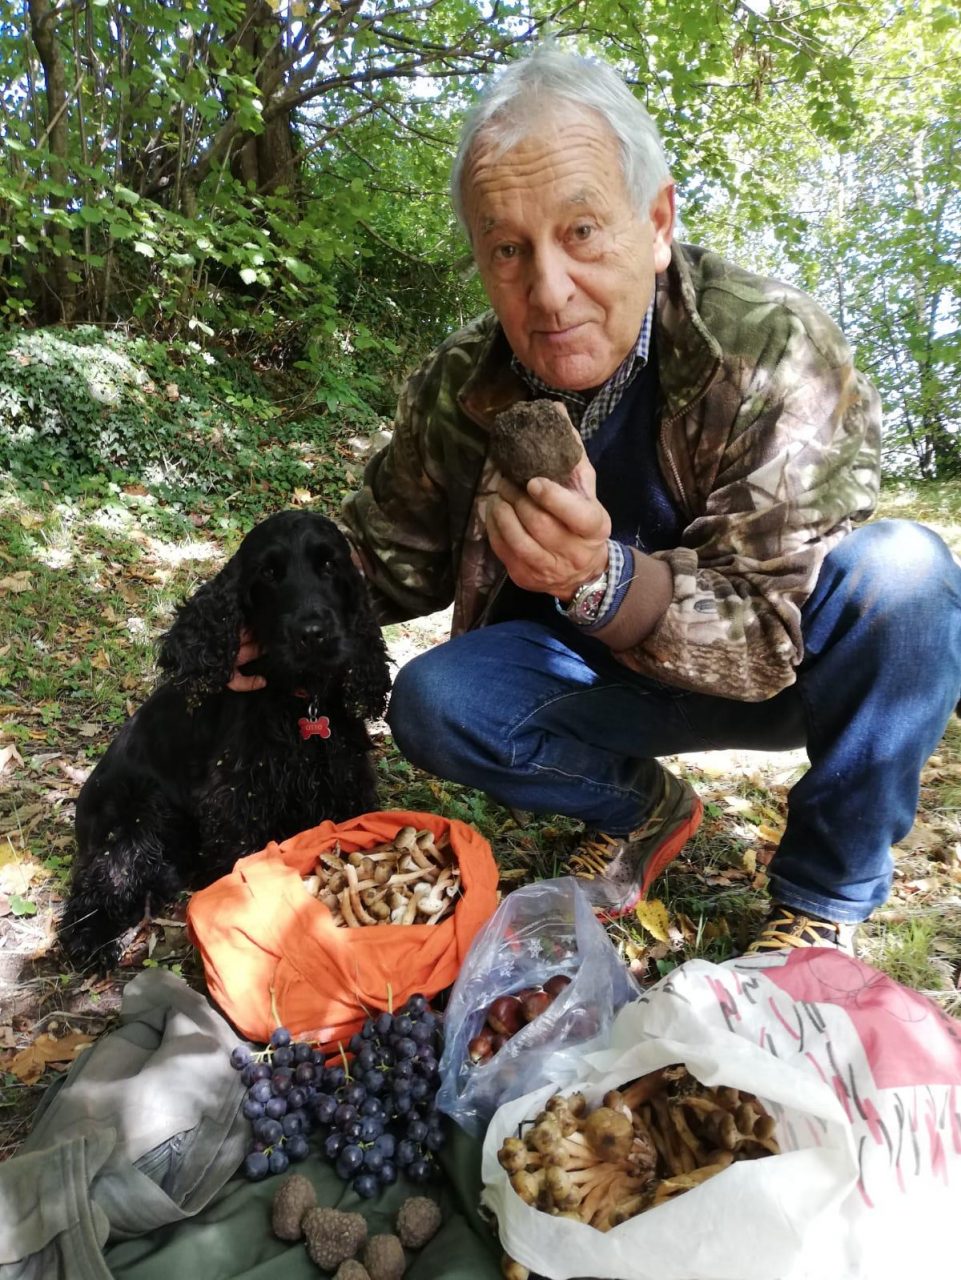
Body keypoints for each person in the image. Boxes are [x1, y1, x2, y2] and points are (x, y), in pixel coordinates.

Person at [238, 45, 961, 953]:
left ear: (655, 222)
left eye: (582, 231)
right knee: (434, 700)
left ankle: (822, 898)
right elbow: (386, 553)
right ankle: (640, 808)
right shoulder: (463, 384)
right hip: (583, 678)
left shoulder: (768, 349)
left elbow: (773, 630)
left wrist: (606, 580)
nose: (546, 291)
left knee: (906, 577)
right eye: (507, 249)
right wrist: (254, 618)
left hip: (775, 676)